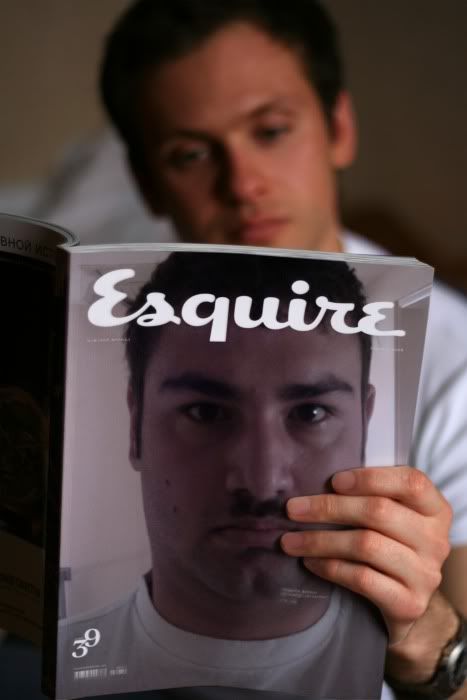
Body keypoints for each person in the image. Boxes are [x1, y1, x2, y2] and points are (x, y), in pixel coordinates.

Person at [95, 2, 467, 699]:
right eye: (190, 154)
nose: (243, 184)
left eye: (270, 131)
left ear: (338, 128)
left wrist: (428, 642)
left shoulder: (458, 368)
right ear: (147, 182)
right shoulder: (102, 311)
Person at [58, 251, 396, 698]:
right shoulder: (52, 662)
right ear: (135, 425)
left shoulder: (410, 660)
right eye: (206, 412)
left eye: (310, 413)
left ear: (365, 425)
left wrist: (437, 656)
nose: (262, 482)